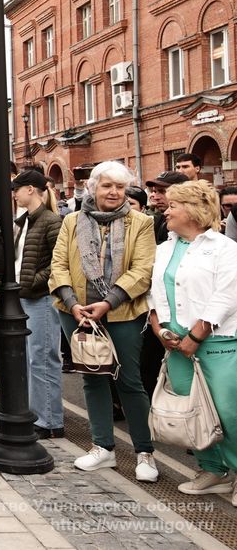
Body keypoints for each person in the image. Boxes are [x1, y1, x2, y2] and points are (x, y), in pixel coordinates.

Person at [49, 160, 157, 482]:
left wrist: (108, 302)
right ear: (93, 187)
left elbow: (143, 270)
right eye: (107, 185)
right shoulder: (71, 221)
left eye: (120, 187)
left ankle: (145, 453)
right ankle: (103, 447)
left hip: (123, 312)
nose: (114, 192)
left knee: (129, 381)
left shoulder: (141, 222)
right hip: (76, 312)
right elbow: (58, 264)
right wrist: (72, 304)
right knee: (92, 377)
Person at [147, 180, 237, 499]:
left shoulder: (224, 248)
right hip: (175, 345)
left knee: (227, 411)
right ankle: (213, 470)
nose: (166, 210)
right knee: (192, 411)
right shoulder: (164, 248)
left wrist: (196, 336)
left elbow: (227, 296)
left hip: (216, 342)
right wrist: (159, 329)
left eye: (173, 205)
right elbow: (154, 293)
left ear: (194, 210)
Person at [11, 169, 64, 439]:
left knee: (42, 359)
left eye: (17, 189)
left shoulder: (51, 221)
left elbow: (59, 263)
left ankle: (49, 421)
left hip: (41, 298)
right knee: (34, 359)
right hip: (28, 296)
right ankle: (41, 416)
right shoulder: (26, 221)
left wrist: (32, 281)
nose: (14, 195)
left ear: (30, 189)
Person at [146, 171, 188, 244]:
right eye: (155, 191)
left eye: (162, 191)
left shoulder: (198, 225)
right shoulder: (159, 220)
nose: (156, 197)